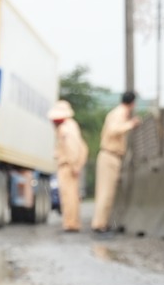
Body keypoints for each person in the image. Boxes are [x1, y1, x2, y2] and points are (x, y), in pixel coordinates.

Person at [92, 92, 140, 235]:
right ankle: (99, 224)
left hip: (111, 156)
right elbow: (113, 130)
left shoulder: (119, 113)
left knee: (107, 192)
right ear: (133, 103)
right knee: (106, 192)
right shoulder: (120, 113)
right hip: (110, 155)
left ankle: (101, 223)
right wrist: (131, 124)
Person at [51, 99, 87, 234]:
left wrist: (73, 165)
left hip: (67, 165)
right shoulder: (73, 126)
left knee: (68, 196)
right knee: (73, 196)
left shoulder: (64, 129)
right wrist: (79, 163)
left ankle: (70, 224)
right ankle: (74, 222)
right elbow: (83, 148)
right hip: (72, 165)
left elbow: (71, 148)